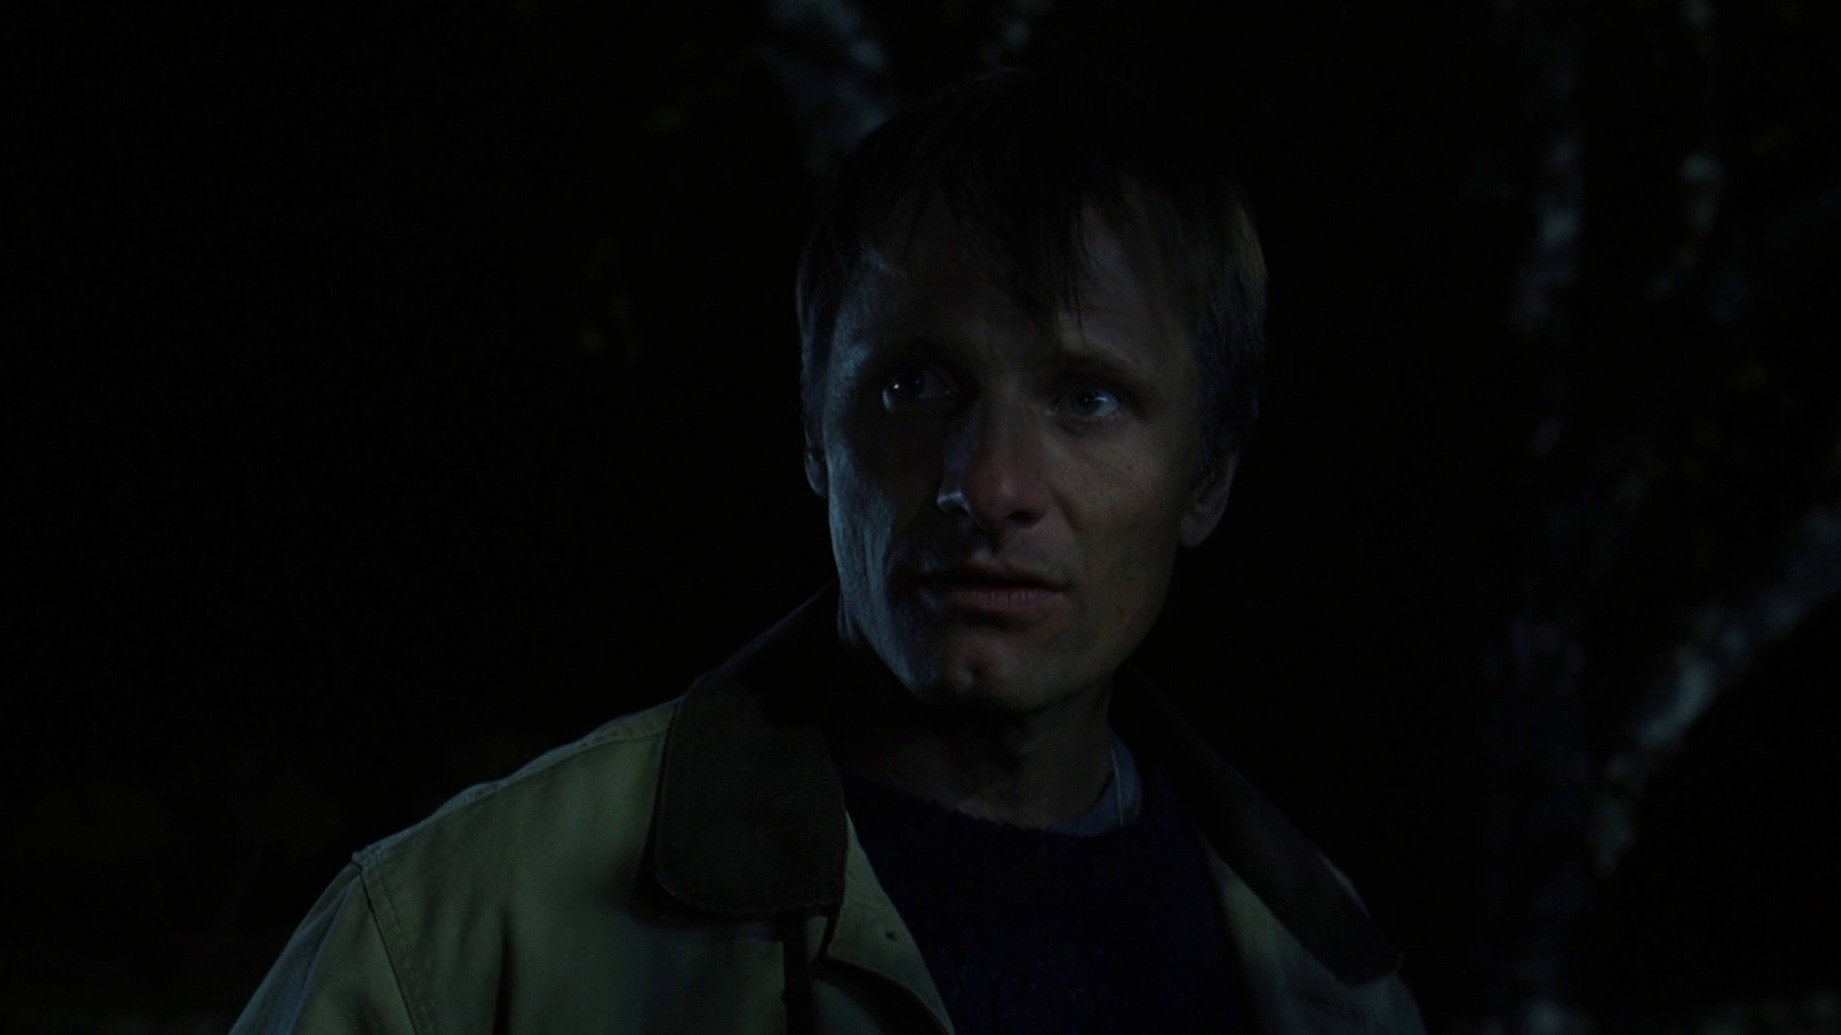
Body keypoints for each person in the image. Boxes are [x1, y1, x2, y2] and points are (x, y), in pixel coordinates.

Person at [233, 69, 1425, 1033]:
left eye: (1085, 398)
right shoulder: (459, 938)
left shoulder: (1325, 974)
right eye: (914, 384)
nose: (987, 487)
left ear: (1206, 478)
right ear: (813, 429)